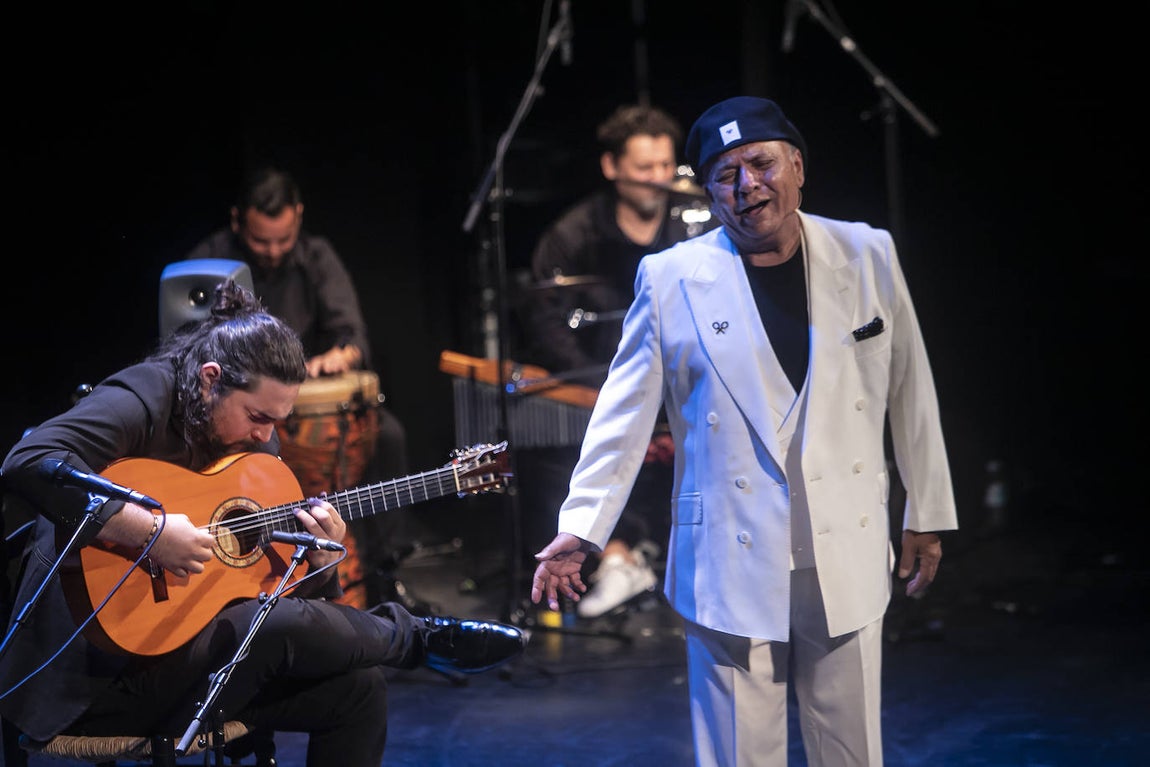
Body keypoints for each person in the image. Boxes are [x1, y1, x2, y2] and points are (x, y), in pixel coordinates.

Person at [530, 96, 958, 766]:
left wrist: (926, 511)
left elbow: (911, 388)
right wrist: (581, 527)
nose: (747, 184)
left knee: (851, 747)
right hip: (727, 549)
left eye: (760, 163)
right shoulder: (672, 278)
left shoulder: (867, 253)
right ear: (707, 192)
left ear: (797, 166)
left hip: (843, 532)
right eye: (725, 174)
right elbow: (622, 411)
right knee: (738, 753)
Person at [0, 281, 525, 766]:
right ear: (210, 382)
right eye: (258, 417)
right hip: (90, 677)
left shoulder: (255, 449)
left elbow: (262, 588)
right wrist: (151, 533)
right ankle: (416, 638)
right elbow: (27, 460)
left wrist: (320, 562)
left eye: (279, 422)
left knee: (360, 687)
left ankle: (409, 641)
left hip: (199, 665)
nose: (268, 437)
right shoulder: (144, 399)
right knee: (272, 627)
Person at [185, 166, 417, 608]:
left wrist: (338, 356)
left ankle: (383, 567)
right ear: (238, 221)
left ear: (299, 217)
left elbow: (354, 336)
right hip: (239, 407)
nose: (272, 251)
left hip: (303, 405)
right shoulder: (208, 262)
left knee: (389, 437)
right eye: (260, 241)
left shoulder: (316, 257)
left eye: (282, 239)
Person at [518, 103, 716, 618]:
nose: (658, 180)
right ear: (612, 167)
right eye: (644, 168)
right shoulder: (572, 234)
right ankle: (616, 559)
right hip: (600, 391)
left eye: (665, 167)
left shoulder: (700, 226)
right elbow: (544, 320)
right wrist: (604, 390)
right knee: (558, 445)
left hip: (690, 389)